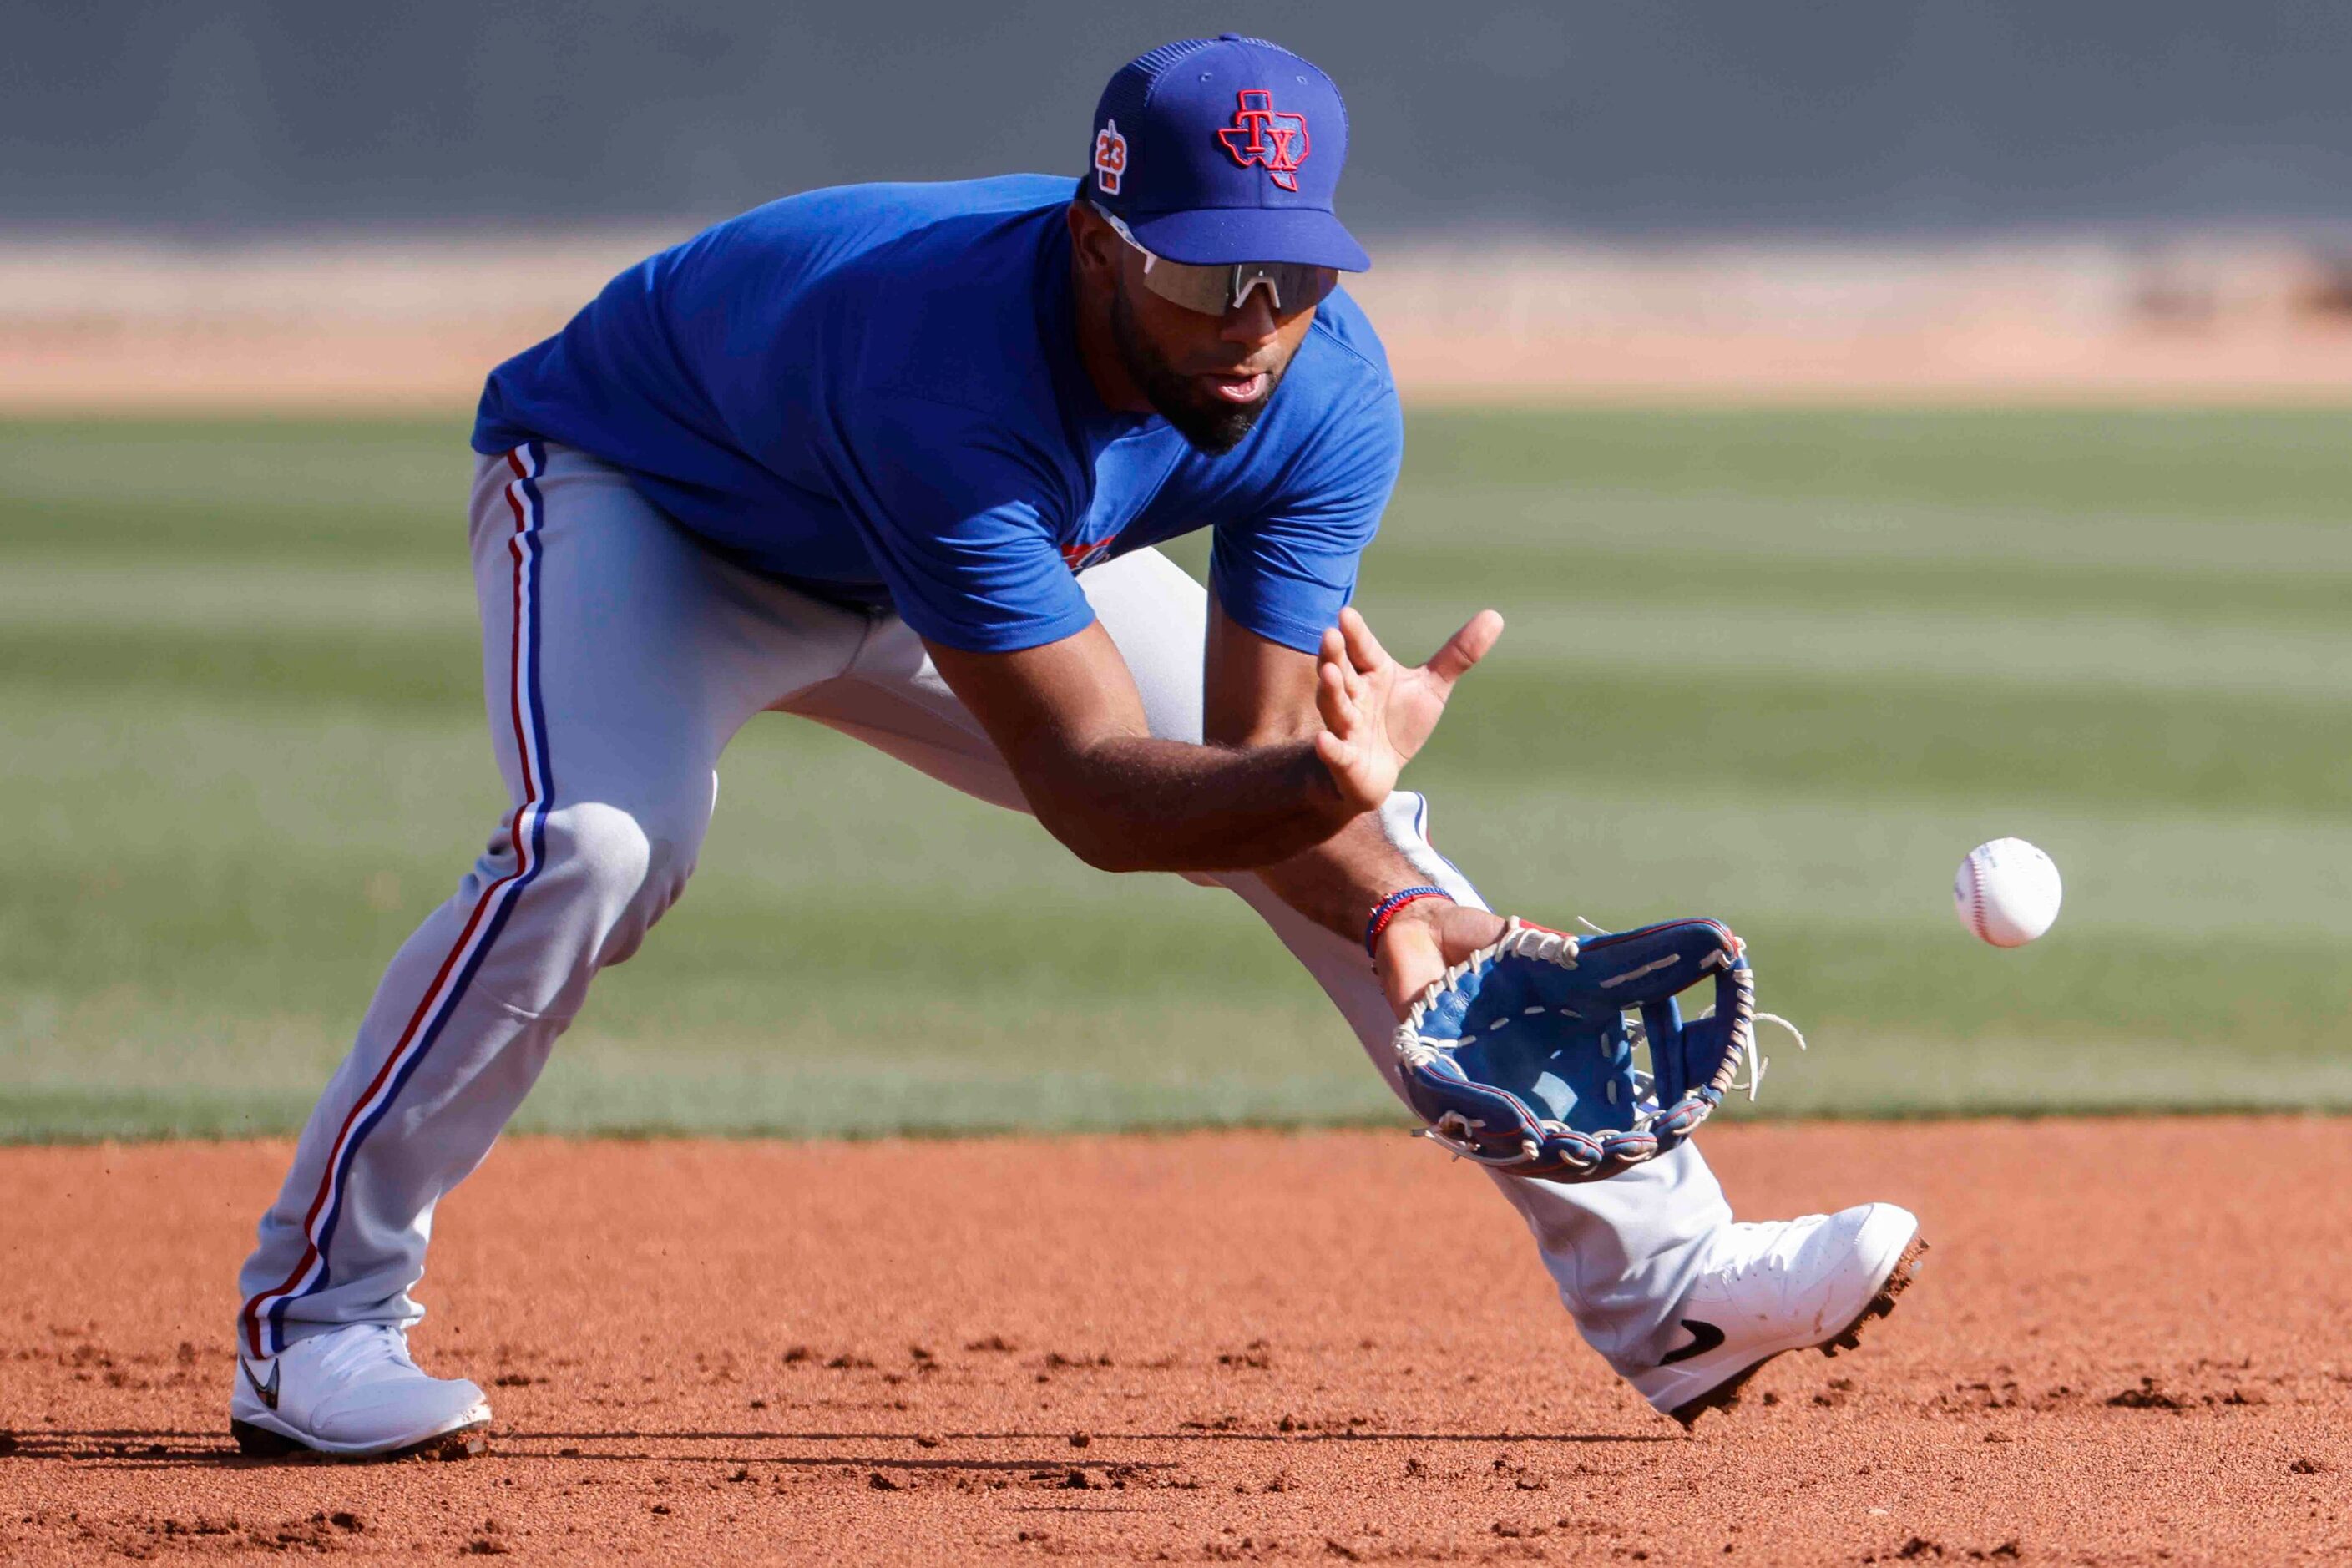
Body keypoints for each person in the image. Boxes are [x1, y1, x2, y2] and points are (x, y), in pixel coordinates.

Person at [229, 34, 1923, 1459]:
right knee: (597, 846)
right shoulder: (939, 371)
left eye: (1294, 271)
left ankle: (1674, 1286)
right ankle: (316, 1329)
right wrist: (1322, 810)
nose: (1249, 321)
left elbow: (1251, 769)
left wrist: (1394, 900)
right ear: (1097, 236)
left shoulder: (1318, 393)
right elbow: (1104, 802)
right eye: (1202, 273)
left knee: (1366, 827)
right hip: (652, 507)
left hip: (983, 561)